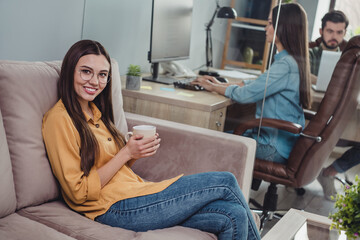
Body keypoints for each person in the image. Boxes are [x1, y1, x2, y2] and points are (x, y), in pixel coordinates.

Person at [42, 39, 260, 240]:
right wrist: (126, 152)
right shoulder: (59, 120)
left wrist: (135, 152)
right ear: (70, 71)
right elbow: (79, 193)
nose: (95, 81)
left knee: (234, 215)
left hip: (136, 193)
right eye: (86, 72)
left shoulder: (95, 112)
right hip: (112, 208)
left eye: (102, 75)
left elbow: (113, 167)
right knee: (226, 181)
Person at [192, 3, 311, 164]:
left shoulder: (285, 65)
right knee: (221, 134)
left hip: (271, 147)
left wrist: (213, 87)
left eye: (269, 23)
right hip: (282, 144)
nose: (265, 29)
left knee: (209, 140)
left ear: (283, 28)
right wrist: (224, 84)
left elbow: (245, 95)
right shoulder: (291, 61)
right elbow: (259, 84)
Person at [309, 10, 349, 77]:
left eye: (339, 32)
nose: (334, 36)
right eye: (330, 31)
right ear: (321, 31)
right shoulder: (309, 54)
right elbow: (303, 77)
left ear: (344, 33)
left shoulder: (347, 61)